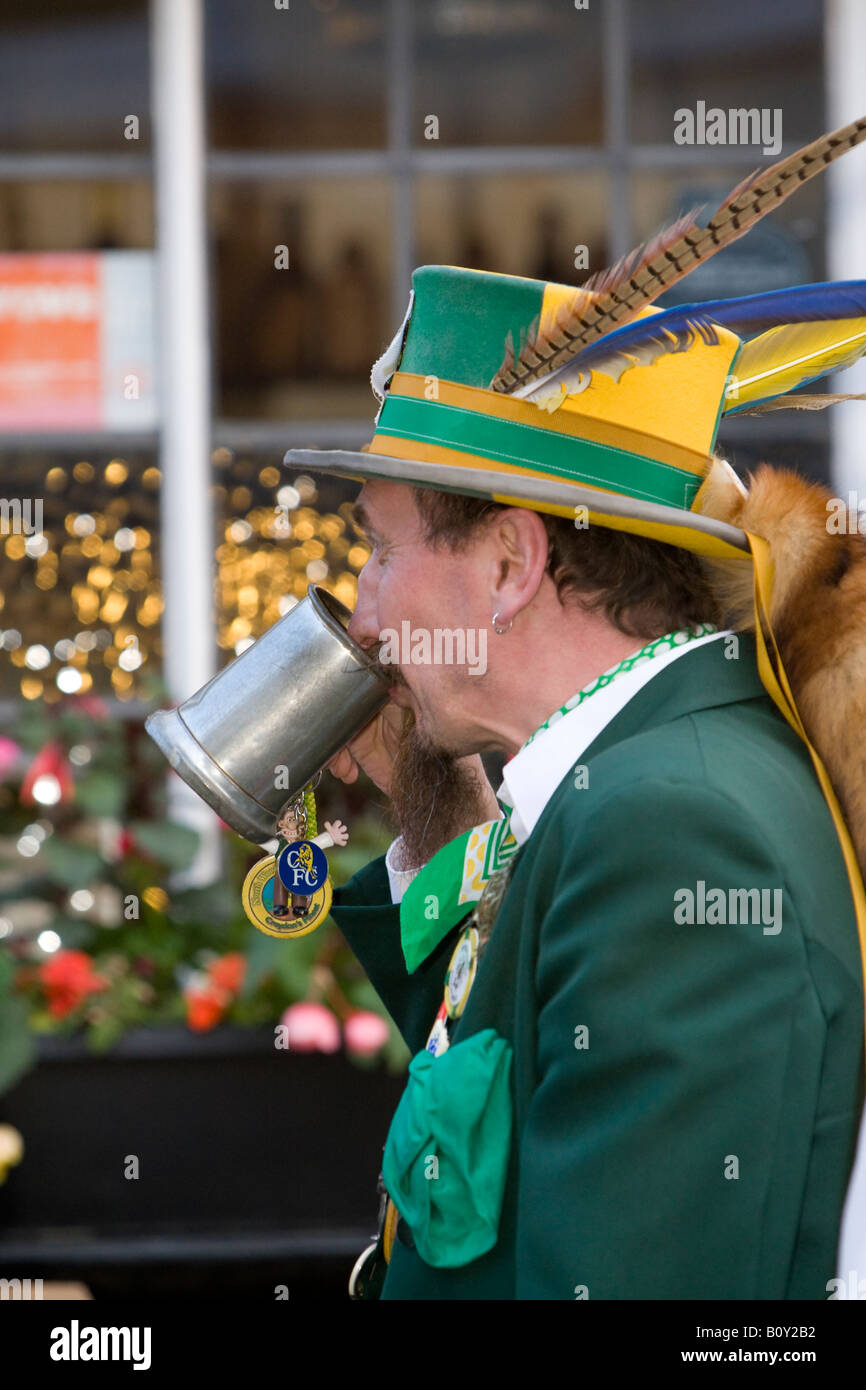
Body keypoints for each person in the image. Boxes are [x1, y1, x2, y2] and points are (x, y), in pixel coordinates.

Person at [281, 117, 866, 1298]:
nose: (363, 604)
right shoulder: (629, 771)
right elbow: (493, 1079)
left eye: (379, 552)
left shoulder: (668, 822)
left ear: (507, 565)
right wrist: (418, 793)